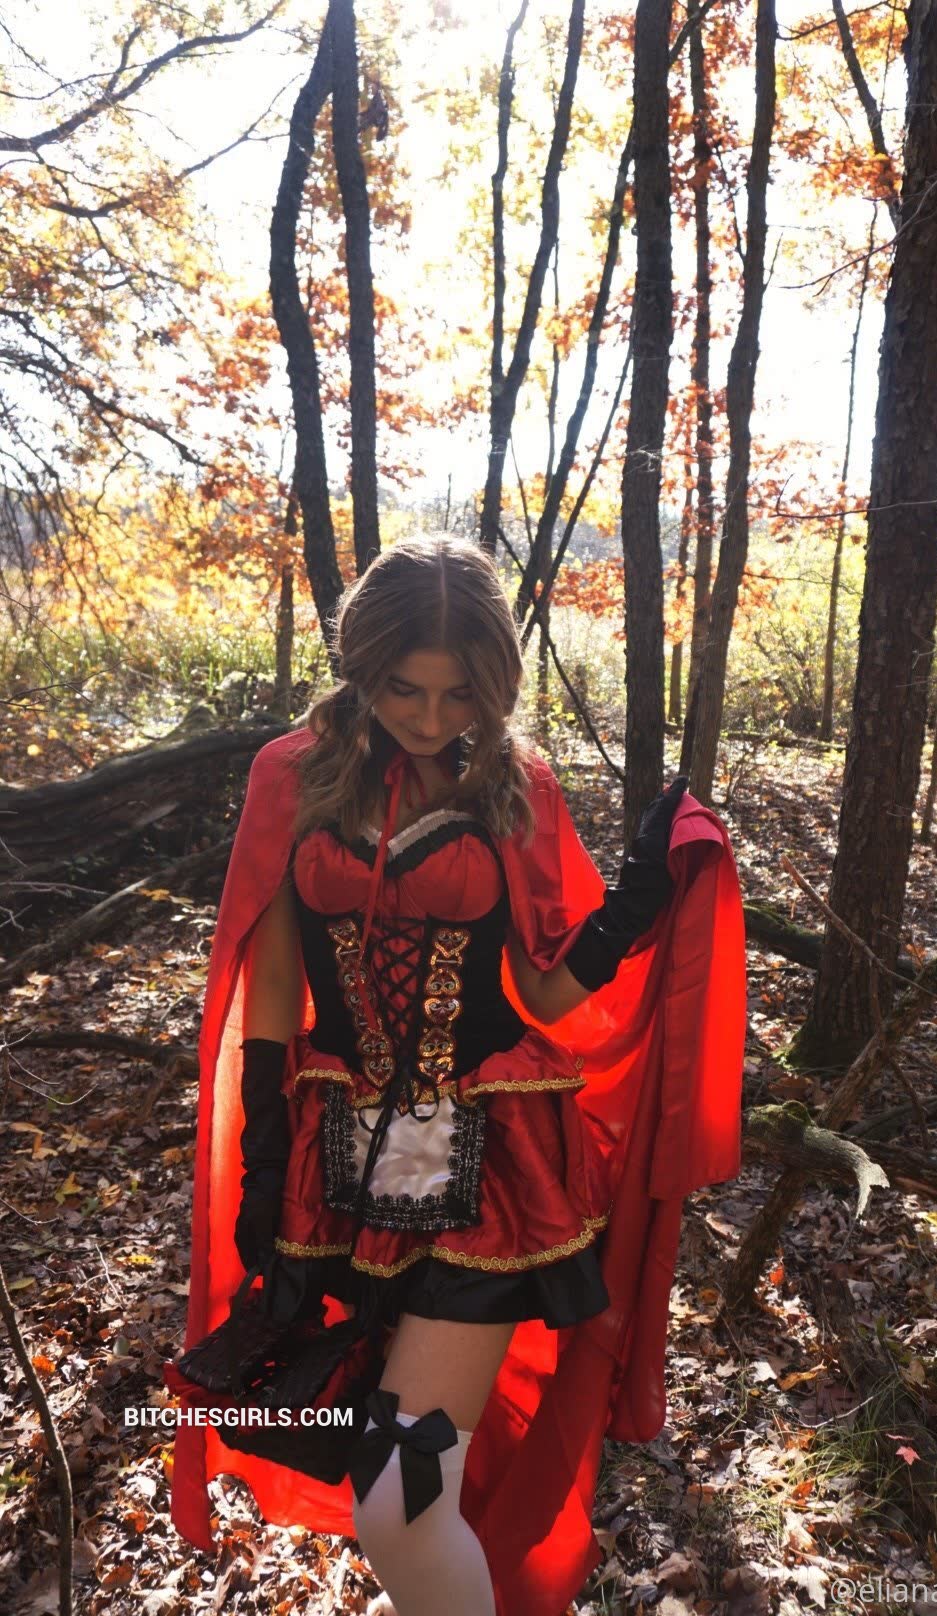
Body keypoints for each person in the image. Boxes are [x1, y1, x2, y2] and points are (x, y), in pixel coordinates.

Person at [166, 535, 746, 1616]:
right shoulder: (291, 774)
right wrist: (262, 1163)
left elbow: (548, 990)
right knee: (380, 1472)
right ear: (361, 666)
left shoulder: (514, 780)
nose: (431, 718)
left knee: (400, 1497)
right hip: (338, 1170)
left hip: (493, 1179)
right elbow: (274, 977)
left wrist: (633, 903)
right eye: (404, 689)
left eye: (459, 693)